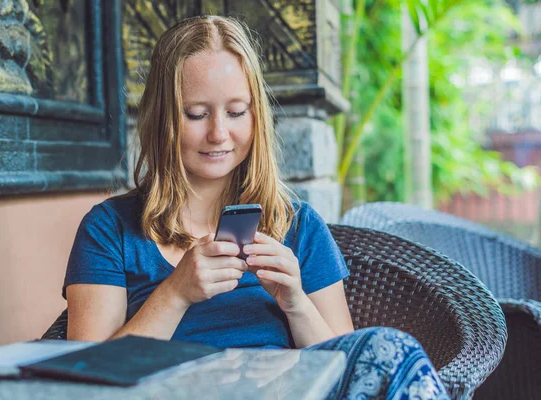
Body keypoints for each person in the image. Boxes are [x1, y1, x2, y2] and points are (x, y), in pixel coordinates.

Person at [62, 15, 450, 399]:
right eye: (196, 114)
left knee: (389, 348)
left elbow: (347, 372)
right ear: (163, 117)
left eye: (236, 112)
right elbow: (84, 378)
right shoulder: (109, 229)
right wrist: (175, 294)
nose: (219, 133)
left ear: (256, 115)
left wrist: (296, 303)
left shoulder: (297, 226)